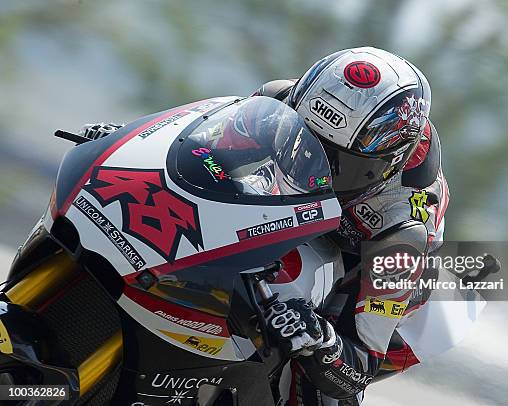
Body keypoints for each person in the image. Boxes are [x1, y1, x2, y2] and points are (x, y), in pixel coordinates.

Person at [80, 47, 450, 405]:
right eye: (303, 140)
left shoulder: (404, 228)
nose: (312, 164)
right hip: (295, 209)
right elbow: (204, 148)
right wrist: (128, 142)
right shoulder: (279, 100)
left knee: (317, 379)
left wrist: (320, 340)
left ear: (388, 163)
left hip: (365, 262)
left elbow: (359, 365)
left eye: (338, 162)